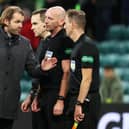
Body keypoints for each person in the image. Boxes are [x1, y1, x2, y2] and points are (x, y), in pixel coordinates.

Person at [0, 6, 57, 129]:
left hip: (8, 105)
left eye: (22, 21)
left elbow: (32, 70)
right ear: (6, 21)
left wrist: (42, 68)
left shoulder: (25, 43)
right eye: (17, 22)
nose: (21, 25)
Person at [22, 6, 74, 129]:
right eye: (46, 18)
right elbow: (43, 73)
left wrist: (61, 100)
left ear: (61, 21)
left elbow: (67, 72)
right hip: (44, 95)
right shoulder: (48, 40)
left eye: (50, 18)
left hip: (56, 94)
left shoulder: (65, 40)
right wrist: (36, 96)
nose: (46, 21)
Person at [64, 9, 101, 129]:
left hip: (86, 101)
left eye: (66, 23)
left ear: (73, 24)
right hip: (77, 99)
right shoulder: (77, 46)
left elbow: (87, 79)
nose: (64, 26)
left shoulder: (87, 46)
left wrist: (79, 103)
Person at [21, 8, 51, 129]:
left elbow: (47, 76)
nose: (31, 27)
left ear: (45, 24)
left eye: (35, 23)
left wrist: (36, 96)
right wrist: (32, 95)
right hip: (39, 98)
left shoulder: (53, 44)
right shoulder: (42, 43)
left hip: (47, 100)